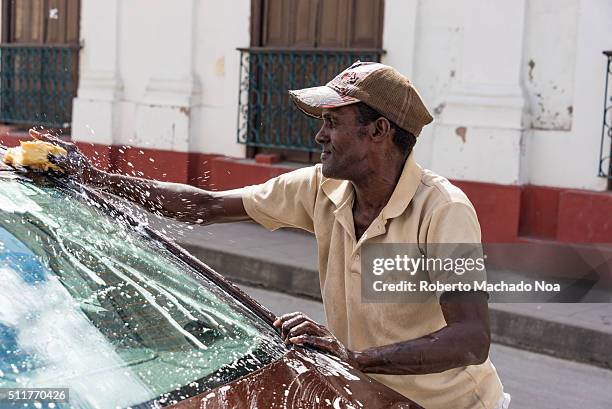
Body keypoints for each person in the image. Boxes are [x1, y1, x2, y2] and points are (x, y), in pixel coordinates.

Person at [32, 61, 510, 409]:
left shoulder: (443, 209)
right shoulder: (322, 188)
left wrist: (355, 358)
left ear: (379, 130)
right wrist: (92, 177)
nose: (319, 136)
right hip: (368, 395)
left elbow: (471, 338)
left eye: (332, 122)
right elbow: (206, 205)